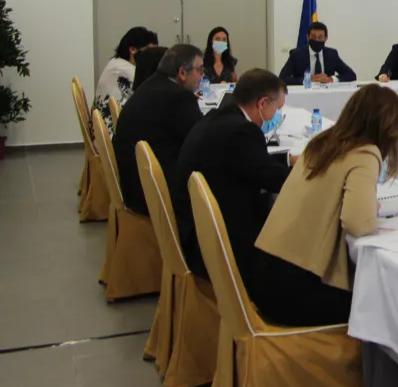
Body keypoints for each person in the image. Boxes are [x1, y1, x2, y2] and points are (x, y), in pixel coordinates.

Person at [252, 84, 398, 326]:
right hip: (294, 289)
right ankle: (357, 365)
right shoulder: (365, 153)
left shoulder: (320, 143)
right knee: (385, 310)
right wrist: (369, 208)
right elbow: (358, 223)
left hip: (266, 274)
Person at [173, 69, 292, 283]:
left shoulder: (218, 118)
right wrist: (312, 168)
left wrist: (288, 161)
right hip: (217, 246)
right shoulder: (242, 131)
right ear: (262, 103)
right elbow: (276, 180)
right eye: (277, 109)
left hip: (194, 229)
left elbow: (251, 164)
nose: (276, 116)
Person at [113, 45, 204, 215]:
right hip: (155, 193)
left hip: (134, 186)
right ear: (182, 73)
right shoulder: (178, 98)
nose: (202, 76)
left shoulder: (152, 85)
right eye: (199, 70)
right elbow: (202, 140)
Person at [93, 27, 159, 128]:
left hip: (103, 132)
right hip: (111, 134)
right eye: (149, 52)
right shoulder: (126, 71)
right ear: (132, 50)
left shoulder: (116, 63)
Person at [278, 21, 357, 85]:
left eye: (320, 37)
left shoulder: (332, 54)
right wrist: (308, 80)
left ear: (326, 38)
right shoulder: (296, 54)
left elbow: (351, 75)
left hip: (327, 93)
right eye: (313, 37)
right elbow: (283, 78)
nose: (317, 40)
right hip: (305, 93)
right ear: (308, 37)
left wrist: (330, 79)